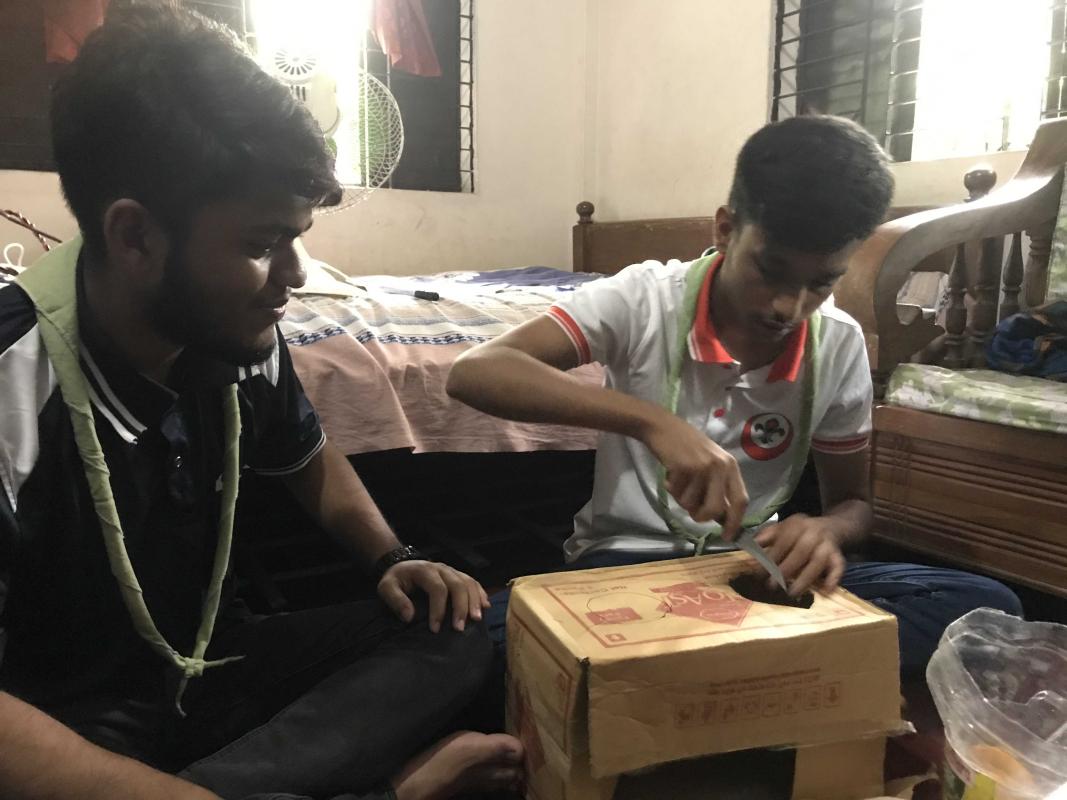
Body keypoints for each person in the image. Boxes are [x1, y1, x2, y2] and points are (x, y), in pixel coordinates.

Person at [0, 4, 521, 799]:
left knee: (456, 632)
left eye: (297, 235)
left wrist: (392, 556)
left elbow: (307, 455)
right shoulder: (15, 375)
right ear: (134, 238)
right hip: (61, 728)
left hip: (206, 673)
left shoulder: (235, 330)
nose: (296, 275)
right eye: (260, 243)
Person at [447, 115, 1023, 678]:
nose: (789, 306)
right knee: (465, 641)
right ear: (724, 229)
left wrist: (825, 531)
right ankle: (762, 677)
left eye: (822, 282)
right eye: (770, 270)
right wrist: (653, 423)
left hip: (752, 571)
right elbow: (477, 371)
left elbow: (854, 505)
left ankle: (685, 678)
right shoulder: (644, 299)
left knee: (985, 606)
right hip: (622, 564)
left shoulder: (838, 343)